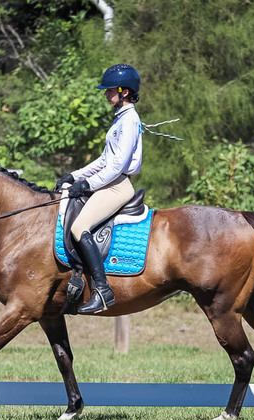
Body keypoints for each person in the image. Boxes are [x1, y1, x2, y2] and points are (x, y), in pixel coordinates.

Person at [55, 64, 143, 314]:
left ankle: (103, 291)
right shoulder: (120, 120)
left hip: (117, 186)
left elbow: (116, 167)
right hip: (109, 182)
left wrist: (87, 185)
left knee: (79, 227)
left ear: (124, 92)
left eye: (109, 90)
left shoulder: (130, 120)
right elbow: (104, 160)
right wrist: (75, 176)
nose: (106, 94)